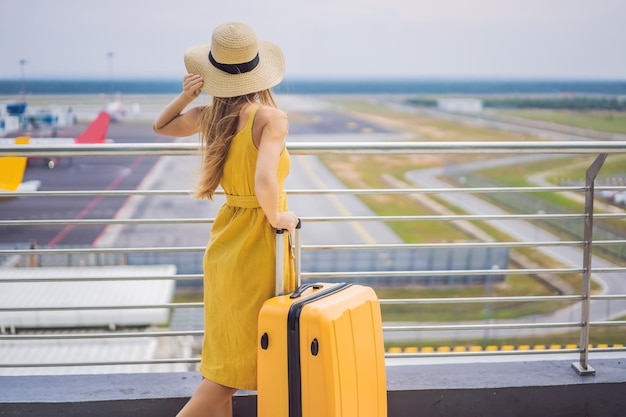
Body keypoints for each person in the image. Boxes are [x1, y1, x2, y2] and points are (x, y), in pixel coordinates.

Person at [153, 21, 299, 417]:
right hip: (257, 240)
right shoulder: (271, 118)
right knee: (229, 372)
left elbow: (161, 126)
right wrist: (279, 216)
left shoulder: (208, 116)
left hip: (225, 237)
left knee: (225, 354)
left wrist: (187, 95)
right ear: (259, 71)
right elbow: (265, 179)